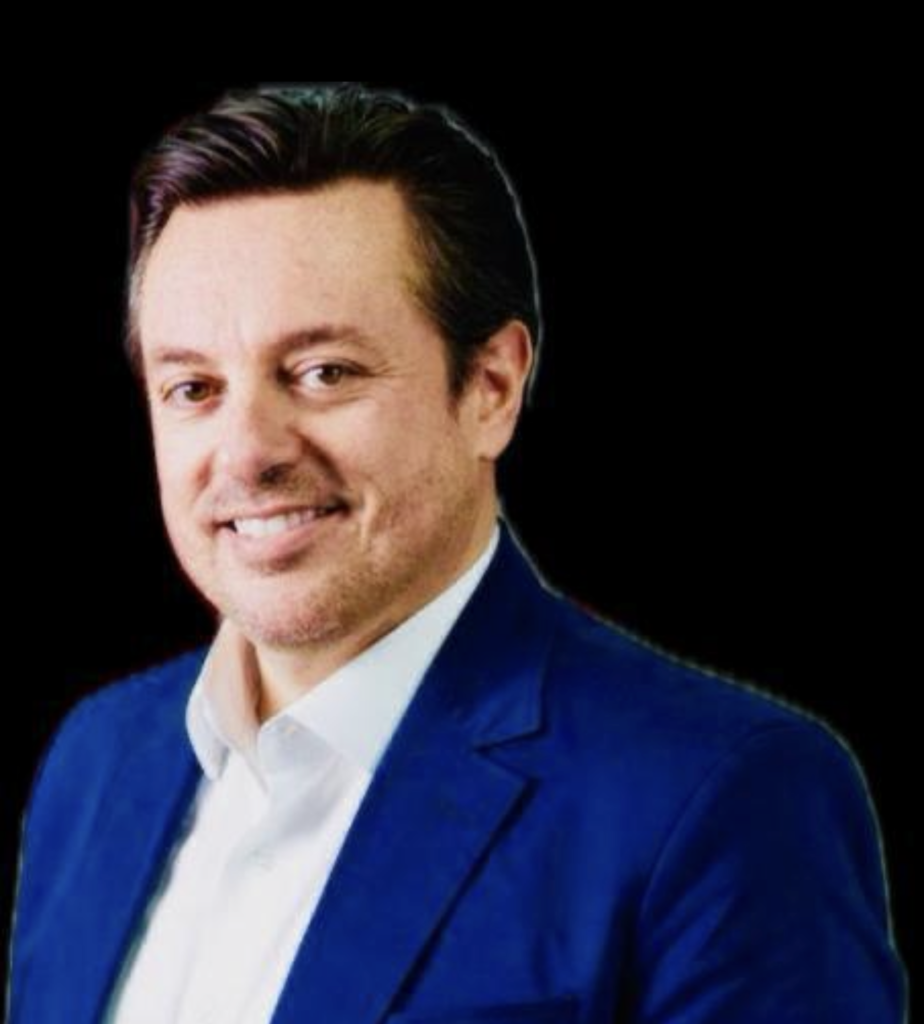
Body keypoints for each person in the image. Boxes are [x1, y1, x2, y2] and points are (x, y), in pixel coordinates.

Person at [7, 82, 906, 1024]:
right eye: (193, 388)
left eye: (323, 372)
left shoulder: (723, 797)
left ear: (491, 388)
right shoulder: (94, 763)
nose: (247, 453)